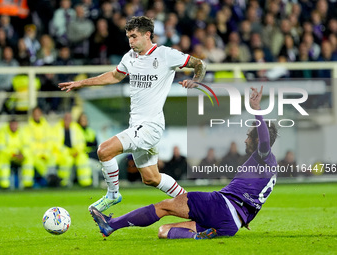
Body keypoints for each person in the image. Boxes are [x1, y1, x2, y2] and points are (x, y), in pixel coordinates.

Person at [58, 16, 206, 213]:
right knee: (151, 178)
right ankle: (191, 202)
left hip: (150, 127)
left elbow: (199, 64)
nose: (131, 41)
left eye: (134, 36)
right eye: (129, 37)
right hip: (137, 125)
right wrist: (81, 83)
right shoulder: (129, 57)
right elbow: (113, 76)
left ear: (147, 35)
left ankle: (112, 194)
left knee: (104, 150)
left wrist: (196, 81)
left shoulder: (165, 55)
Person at [90, 86, 279, 240]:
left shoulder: (263, 154)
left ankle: (111, 225)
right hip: (232, 225)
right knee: (163, 231)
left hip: (219, 205)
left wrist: (257, 110)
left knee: (163, 206)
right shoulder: (273, 167)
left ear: (257, 140)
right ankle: (199, 237)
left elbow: (263, 140)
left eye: (248, 137)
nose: (245, 141)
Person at [0, 118, 34, 189]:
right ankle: (4, 185)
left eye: (15, 125)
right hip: (8, 155)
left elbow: (26, 145)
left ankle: (27, 184)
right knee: (3, 160)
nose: (14, 127)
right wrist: (13, 154)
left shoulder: (22, 132)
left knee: (29, 158)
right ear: (9, 125)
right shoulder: (2, 132)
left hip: (19, 156)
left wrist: (23, 154)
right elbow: (1, 148)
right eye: (12, 125)